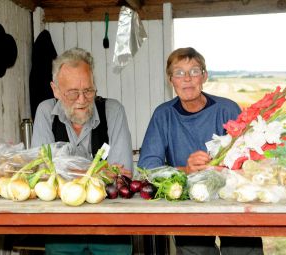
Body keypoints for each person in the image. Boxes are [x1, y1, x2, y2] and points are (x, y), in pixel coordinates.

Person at [138, 47, 264, 255]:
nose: (187, 78)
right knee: (195, 250)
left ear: (204, 76)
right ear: (171, 80)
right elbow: (147, 168)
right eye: (179, 73)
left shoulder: (228, 109)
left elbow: (250, 160)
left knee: (242, 249)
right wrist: (186, 170)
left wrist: (223, 167)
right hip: (189, 202)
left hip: (231, 199)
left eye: (194, 71)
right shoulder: (163, 115)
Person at [32, 47, 133, 255]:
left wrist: (66, 173)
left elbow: (122, 178)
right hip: (61, 226)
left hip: (110, 225)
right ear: (55, 90)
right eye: (72, 92)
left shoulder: (113, 111)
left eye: (88, 90)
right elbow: (43, 173)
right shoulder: (45, 112)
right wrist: (100, 172)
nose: (82, 99)